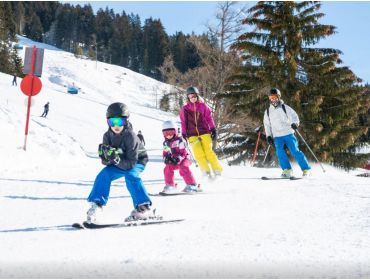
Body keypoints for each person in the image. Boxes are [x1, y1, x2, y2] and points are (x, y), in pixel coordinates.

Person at [86, 102, 154, 223]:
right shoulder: (107, 136)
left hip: (137, 160)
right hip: (120, 162)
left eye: (120, 122)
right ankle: (97, 205)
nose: (116, 126)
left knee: (131, 175)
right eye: (112, 122)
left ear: (126, 121)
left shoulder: (131, 136)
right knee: (104, 175)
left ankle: (144, 207)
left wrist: (115, 159)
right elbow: (105, 162)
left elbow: (131, 164)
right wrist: (106, 157)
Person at [263, 88, 311, 177]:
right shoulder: (268, 112)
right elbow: (267, 125)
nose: (273, 99)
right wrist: (269, 136)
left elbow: (295, 116)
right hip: (277, 136)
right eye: (271, 98)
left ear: (278, 97)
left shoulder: (285, 107)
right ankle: (287, 170)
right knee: (279, 152)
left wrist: (295, 123)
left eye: (274, 97)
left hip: (288, 133)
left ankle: (306, 169)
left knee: (295, 151)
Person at [179, 86, 223, 179]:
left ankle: (217, 171)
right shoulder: (185, 109)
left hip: (204, 132)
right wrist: (184, 133)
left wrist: (213, 129)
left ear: (197, 96)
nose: (193, 98)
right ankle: (206, 172)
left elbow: (209, 118)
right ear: (188, 98)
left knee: (209, 151)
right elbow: (183, 122)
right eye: (190, 97)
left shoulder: (203, 106)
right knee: (198, 154)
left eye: (194, 96)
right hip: (192, 134)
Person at [161, 120, 199, 193]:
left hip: (185, 159)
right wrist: (166, 159)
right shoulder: (166, 143)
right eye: (165, 133)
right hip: (175, 160)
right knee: (167, 168)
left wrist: (177, 159)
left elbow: (183, 153)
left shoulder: (180, 140)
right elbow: (165, 153)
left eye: (170, 132)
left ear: (175, 131)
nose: (168, 135)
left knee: (183, 166)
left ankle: (192, 184)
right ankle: (170, 185)